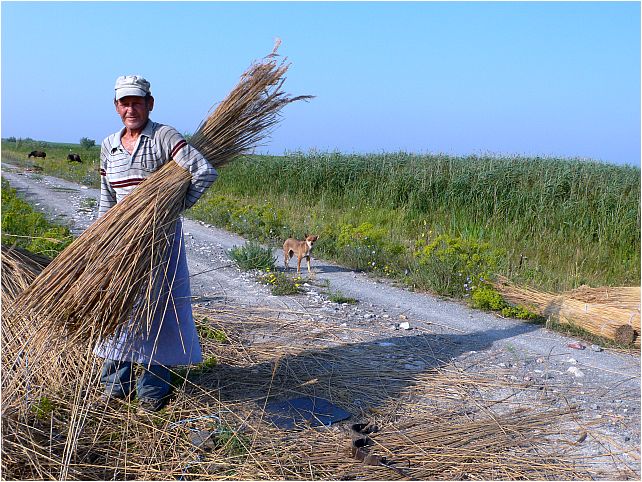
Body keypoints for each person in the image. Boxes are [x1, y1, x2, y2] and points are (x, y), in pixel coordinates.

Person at [94, 75, 218, 412]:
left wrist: (170, 210)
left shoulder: (164, 136)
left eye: (137, 101)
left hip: (159, 239)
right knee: (116, 308)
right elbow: (106, 198)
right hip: (120, 242)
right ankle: (115, 384)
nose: (130, 108)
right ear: (116, 106)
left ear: (150, 103)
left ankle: (152, 389)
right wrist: (99, 237)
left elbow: (204, 172)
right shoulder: (109, 145)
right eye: (124, 102)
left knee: (157, 310)